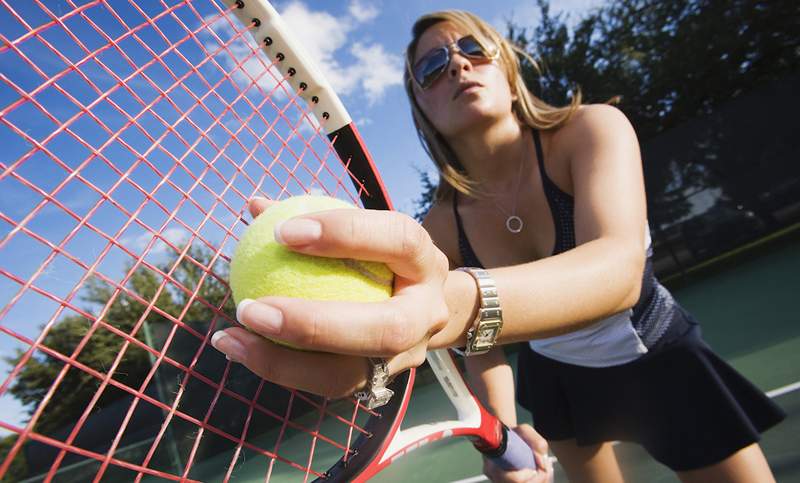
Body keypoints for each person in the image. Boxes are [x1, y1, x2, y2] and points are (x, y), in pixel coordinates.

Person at [210, 9, 786, 483]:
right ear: (422, 107)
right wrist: (502, 430)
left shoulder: (592, 129)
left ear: (507, 70)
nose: (457, 63)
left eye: (472, 48)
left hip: (655, 354)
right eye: (432, 66)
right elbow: (481, 349)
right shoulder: (438, 225)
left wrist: (454, 306)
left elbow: (617, 270)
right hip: (559, 380)